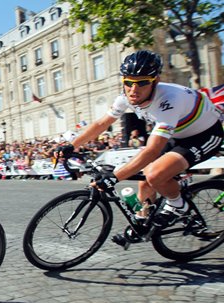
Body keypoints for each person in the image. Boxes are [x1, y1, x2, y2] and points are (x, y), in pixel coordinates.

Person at [58, 50, 223, 228]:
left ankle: (178, 205)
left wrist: (114, 177)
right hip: (177, 133)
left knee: (155, 174)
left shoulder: (169, 100)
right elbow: (101, 124)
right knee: (145, 182)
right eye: (128, 83)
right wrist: (71, 145)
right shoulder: (125, 97)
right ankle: (142, 225)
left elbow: (152, 150)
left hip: (205, 135)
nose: (134, 89)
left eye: (142, 83)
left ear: (156, 81)